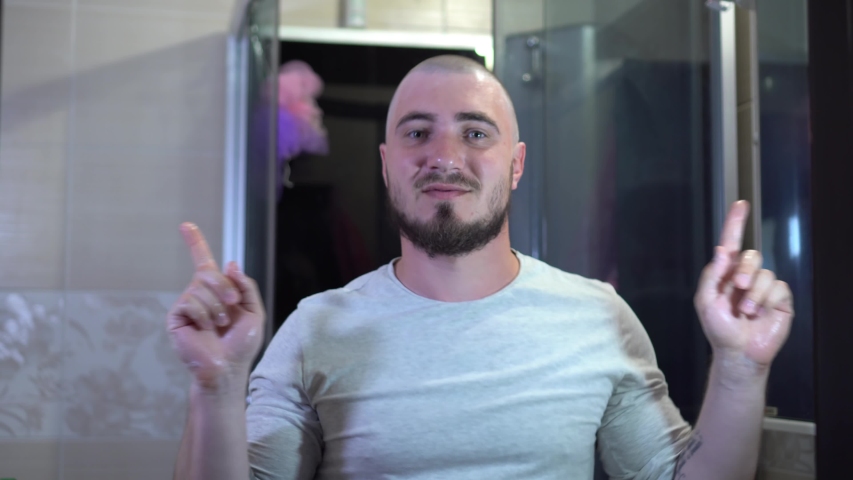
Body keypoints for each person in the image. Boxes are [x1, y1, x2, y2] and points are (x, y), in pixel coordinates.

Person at [168, 55, 793, 480]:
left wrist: (740, 369)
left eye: (474, 133)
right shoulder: (315, 328)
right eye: (417, 133)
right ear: (385, 164)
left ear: (516, 165)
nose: (444, 156)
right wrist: (215, 387)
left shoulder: (597, 318)